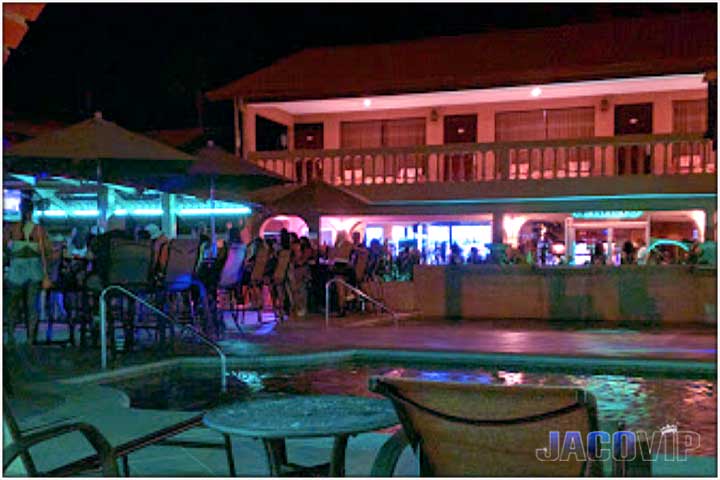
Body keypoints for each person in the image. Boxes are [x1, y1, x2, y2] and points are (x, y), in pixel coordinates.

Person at [4, 196, 52, 345]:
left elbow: (3, 247)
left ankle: (11, 336)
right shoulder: (39, 229)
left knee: (12, 304)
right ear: (32, 211)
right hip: (34, 267)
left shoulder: (12, 228)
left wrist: (11, 254)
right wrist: (46, 273)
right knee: (32, 306)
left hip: (17, 266)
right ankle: (30, 338)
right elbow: (47, 252)